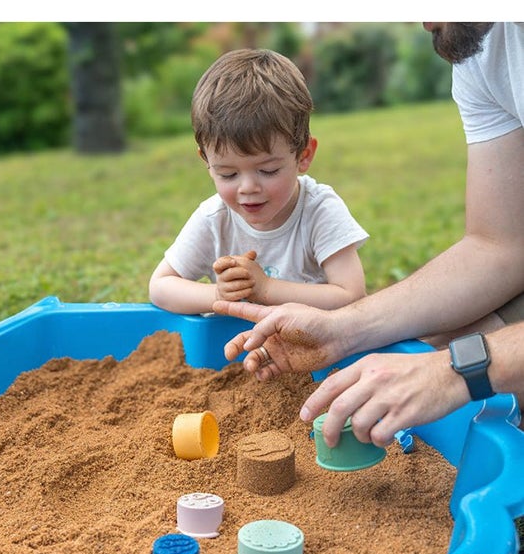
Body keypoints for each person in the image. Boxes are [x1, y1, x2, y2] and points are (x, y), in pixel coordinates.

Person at [213, 23, 524, 449]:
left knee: (452, 363)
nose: (423, 19)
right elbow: (500, 246)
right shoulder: (484, 46)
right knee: (423, 343)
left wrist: (455, 371)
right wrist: (342, 329)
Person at [149, 48, 368, 315]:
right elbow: (160, 287)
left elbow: (352, 296)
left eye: (268, 170)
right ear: (206, 161)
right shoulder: (214, 218)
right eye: (228, 174)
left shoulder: (319, 210)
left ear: (303, 156)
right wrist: (217, 293)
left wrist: (266, 290)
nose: (248, 188)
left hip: (311, 348)